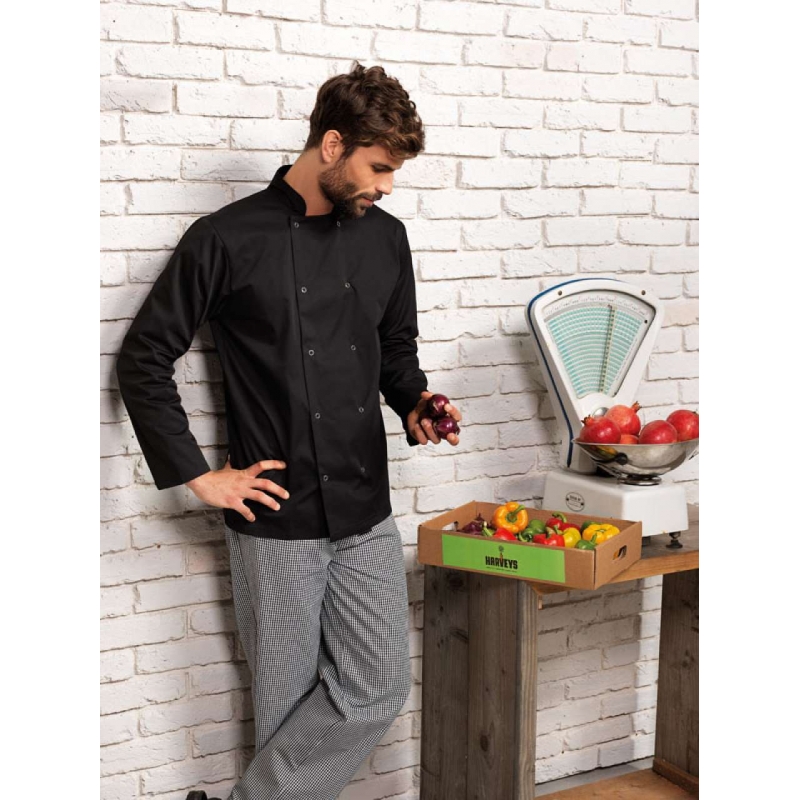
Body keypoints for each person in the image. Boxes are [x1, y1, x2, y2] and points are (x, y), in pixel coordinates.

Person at [115, 62, 463, 800]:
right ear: (333, 145)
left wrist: (415, 401)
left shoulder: (386, 239)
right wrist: (197, 474)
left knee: (377, 686)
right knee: (285, 708)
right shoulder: (225, 237)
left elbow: (394, 350)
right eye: (379, 167)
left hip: (365, 508)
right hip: (274, 515)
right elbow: (144, 356)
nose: (387, 187)